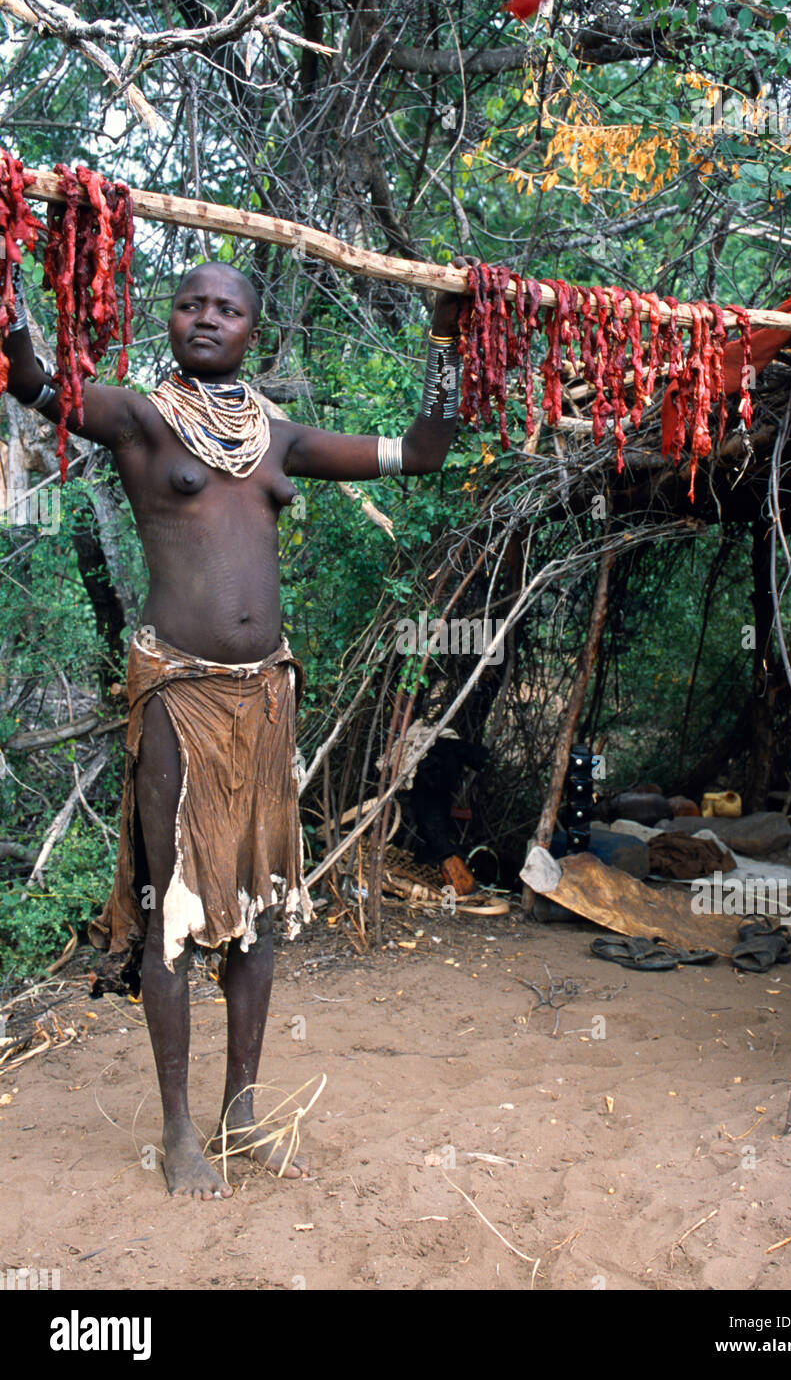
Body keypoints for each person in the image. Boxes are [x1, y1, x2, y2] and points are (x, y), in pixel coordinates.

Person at [3, 252, 465, 1199]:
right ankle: (178, 1131)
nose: (206, 318)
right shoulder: (139, 419)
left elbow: (420, 452)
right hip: (179, 694)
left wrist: (450, 336)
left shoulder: (280, 442)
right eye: (189, 305)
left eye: (227, 309)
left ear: (256, 330)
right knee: (173, 912)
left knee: (257, 913)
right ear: (170, 320)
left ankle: (242, 1114)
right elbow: (30, 381)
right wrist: (8, 282)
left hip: (265, 697)